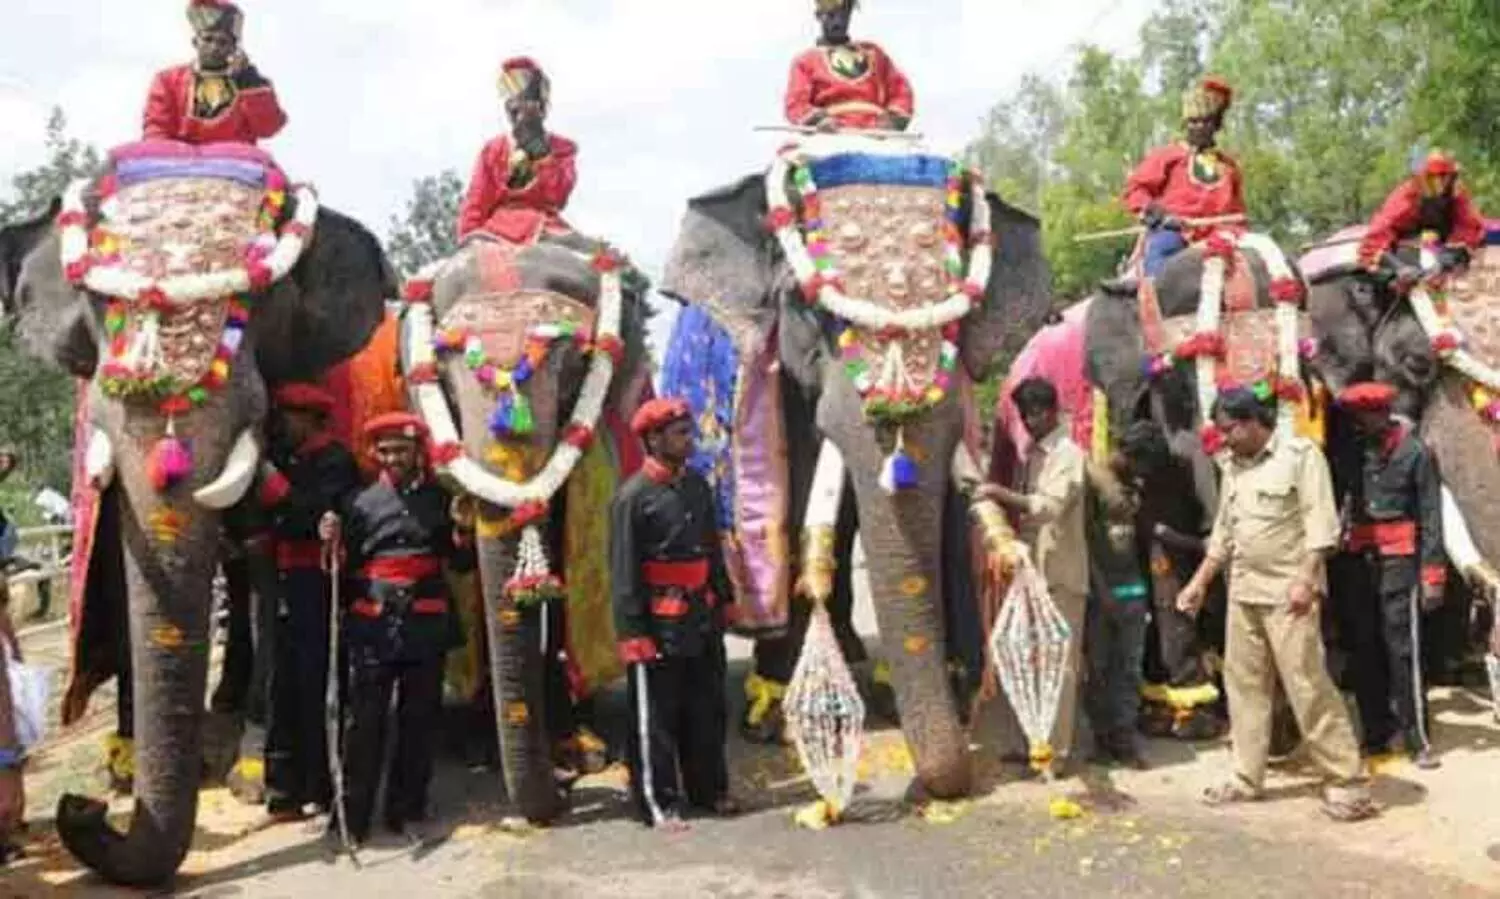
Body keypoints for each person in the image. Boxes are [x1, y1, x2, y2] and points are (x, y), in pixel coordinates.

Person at [1176, 388, 1378, 821]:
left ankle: (1346, 782)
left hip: (1289, 595)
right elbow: (1223, 535)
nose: (1224, 439)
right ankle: (1246, 777)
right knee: (1244, 687)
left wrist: (1306, 580)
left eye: (1229, 430)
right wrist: (1198, 583)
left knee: (1307, 685)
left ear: (1253, 422)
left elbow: (1321, 525)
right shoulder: (1233, 466)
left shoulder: (1300, 456)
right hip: (1244, 592)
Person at [320, 413, 474, 844]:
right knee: (364, 722)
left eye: (401, 450)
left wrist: (463, 531)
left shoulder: (441, 500)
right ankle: (351, 817)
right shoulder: (357, 503)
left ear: (417, 452)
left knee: (419, 720)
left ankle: (407, 810)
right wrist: (330, 542)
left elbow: (462, 565)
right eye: (385, 451)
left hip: (425, 621)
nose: (393, 458)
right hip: (374, 623)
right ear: (374, 454)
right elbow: (340, 570)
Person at [610, 398, 738, 831]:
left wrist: (726, 597)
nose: (690, 440)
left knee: (707, 707)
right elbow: (624, 572)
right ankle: (657, 802)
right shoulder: (632, 498)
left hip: (701, 615)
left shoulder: (697, 486)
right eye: (680, 433)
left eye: (689, 431)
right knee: (656, 717)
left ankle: (710, 790)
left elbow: (711, 549)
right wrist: (633, 632)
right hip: (659, 622)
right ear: (653, 439)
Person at [256, 383, 363, 821]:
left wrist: (278, 491)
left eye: (288, 417)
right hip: (279, 580)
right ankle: (282, 788)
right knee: (278, 682)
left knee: (316, 680)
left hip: (316, 581)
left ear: (308, 418)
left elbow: (318, 515)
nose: (282, 425)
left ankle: (321, 784)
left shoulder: (334, 461)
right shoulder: (286, 458)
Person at [1332, 382, 1445, 769]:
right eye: (1357, 417)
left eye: (1368, 416)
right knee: (1365, 650)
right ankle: (1376, 734)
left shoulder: (1415, 453)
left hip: (1401, 562)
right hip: (1358, 562)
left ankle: (1418, 739)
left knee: (1403, 651)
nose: (1362, 424)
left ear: (1383, 414)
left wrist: (1432, 575)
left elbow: (1431, 517)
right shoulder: (1351, 453)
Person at [978, 377, 1088, 770]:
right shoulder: (1032, 455)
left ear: (1053, 411)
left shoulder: (1068, 455)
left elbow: (1048, 507)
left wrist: (1001, 494)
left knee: (1060, 666)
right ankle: (1031, 740)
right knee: (1026, 659)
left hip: (1060, 575)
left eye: (1036, 414)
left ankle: (1055, 753)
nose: (1030, 422)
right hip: (1030, 575)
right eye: (1025, 416)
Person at [1083, 421, 1164, 769]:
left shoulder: (1133, 483)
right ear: (1128, 453)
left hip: (1133, 587)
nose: (1143, 472)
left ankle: (1124, 739)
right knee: (1099, 667)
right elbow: (1083, 541)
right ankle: (1102, 740)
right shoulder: (1092, 478)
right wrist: (1101, 591)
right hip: (1102, 590)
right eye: (1141, 464)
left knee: (1129, 667)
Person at [1117, 76, 1246, 284]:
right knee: (1161, 249)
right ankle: (1155, 296)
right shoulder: (1168, 156)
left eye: (1206, 121)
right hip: (1176, 233)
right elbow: (1136, 190)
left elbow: (1237, 211)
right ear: (1186, 125)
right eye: (1194, 122)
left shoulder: (1229, 167)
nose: (1199, 127)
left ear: (1216, 125)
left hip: (1223, 236)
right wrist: (1157, 213)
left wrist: (1235, 228)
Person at [456, 57, 579, 245]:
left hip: (546, 227)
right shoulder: (493, 150)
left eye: (525, 99)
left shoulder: (562, 148)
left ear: (540, 106)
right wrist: (468, 238)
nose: (516, 107)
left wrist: (537, 146)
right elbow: (476, 203)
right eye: (511, 100)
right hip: (498, 231)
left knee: (604, 259)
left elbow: (557, 196)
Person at [143, 0, 287, 146]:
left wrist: (247, 80)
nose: (214, 47)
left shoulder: (252, 84)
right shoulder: (168, 81)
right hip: (181, 159)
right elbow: (156, 131)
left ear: (233, 48)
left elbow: (268, 128)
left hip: (235, 159)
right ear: (195, 42)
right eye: (208, 39)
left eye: (222, 42)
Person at [784, 0, 914, 132]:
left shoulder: (873, 52)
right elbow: (796, 103)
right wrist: (819, 121)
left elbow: (900, 90)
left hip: (877, 133)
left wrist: (892, 120)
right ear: (818, 16)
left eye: (843, 16)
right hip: (831, 133)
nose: (838, 22)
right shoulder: (806, 60)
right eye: (831, 15)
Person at [1357, 150, 1487, 278]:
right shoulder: (1407, 195)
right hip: (1406, 250)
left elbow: (1470, 227)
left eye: (1444, 176)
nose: (1439, 183)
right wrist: (1396, 265)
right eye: (1433, 178)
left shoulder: (1456, 194)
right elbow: (1380, 230)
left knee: (1458, 259)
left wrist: (1454, 250)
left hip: (1442, 247)